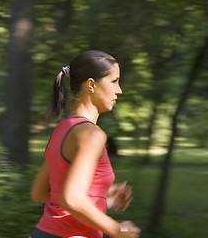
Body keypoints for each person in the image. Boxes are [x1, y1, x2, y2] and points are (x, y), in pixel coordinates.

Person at [29, 50, 141, 238]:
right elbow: (71, 199)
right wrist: (119, 230)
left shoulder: (62, 130)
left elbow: (39, 193)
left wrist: (100, 197)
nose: (119, 90)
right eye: (114, 81)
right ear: (91, 85)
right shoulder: (91, 135)